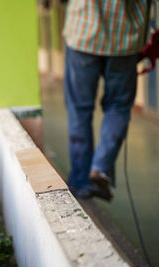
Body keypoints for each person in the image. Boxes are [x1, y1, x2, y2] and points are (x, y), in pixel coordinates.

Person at [62, 0, 151, 201]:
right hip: (126, 38)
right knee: (118, 107)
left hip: (82, 33)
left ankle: (82, 182)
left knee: (79, 110)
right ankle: (100, 167)